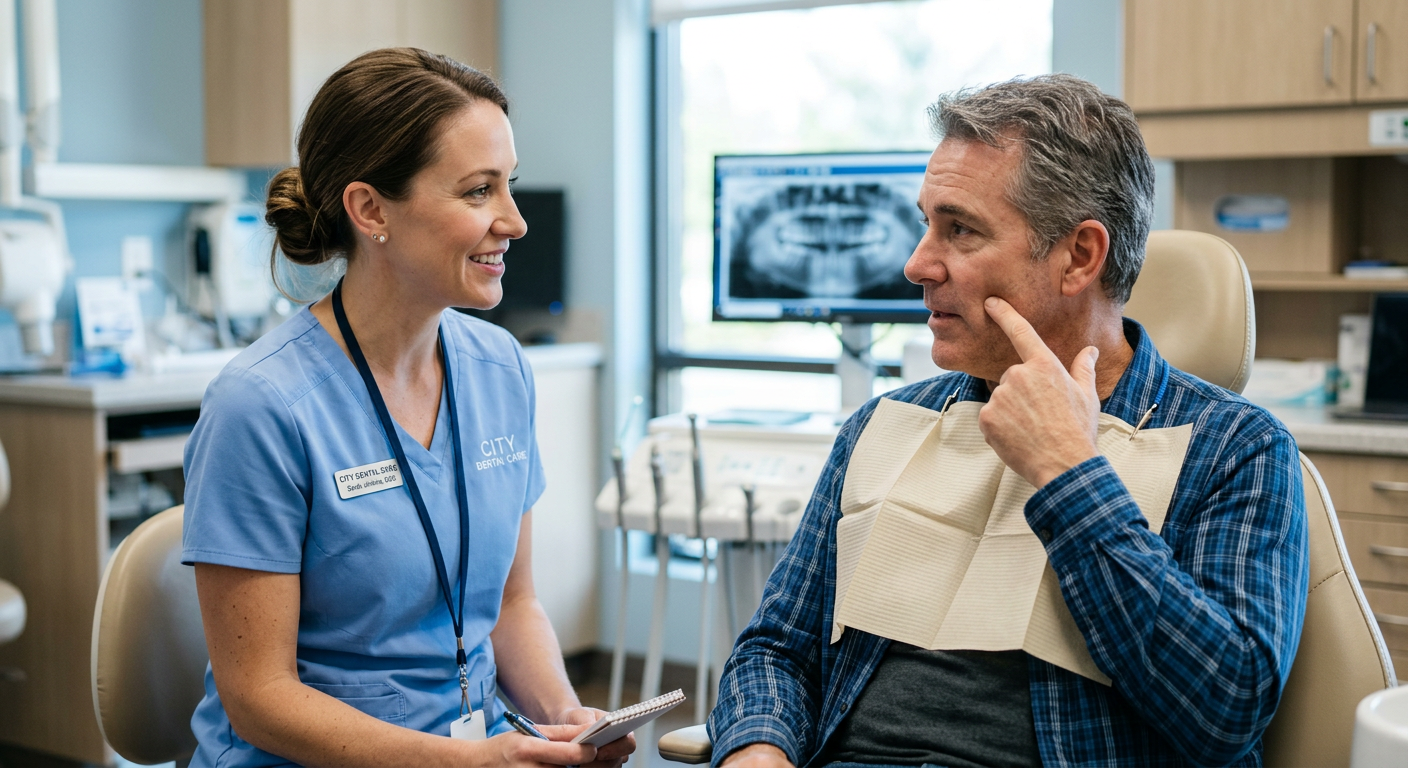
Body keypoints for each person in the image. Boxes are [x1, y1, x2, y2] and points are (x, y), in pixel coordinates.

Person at [708, 74, 1308, 767]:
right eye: (925, 222)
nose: (915, 264)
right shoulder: (886, 425)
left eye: (959, 230)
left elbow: (1225, 713)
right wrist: (756, 751)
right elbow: (776, 648)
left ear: (1079, 256)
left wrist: (1070, 475)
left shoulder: (1236, 448)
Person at [181, 48, 633, 768]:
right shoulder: (261, 407)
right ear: (370, 209)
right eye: (479, 192)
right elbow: (259, 696)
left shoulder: (501, 370)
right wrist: (471, 762)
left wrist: (564, 716)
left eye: (508, 186)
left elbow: (512, 606)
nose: (514, 221)